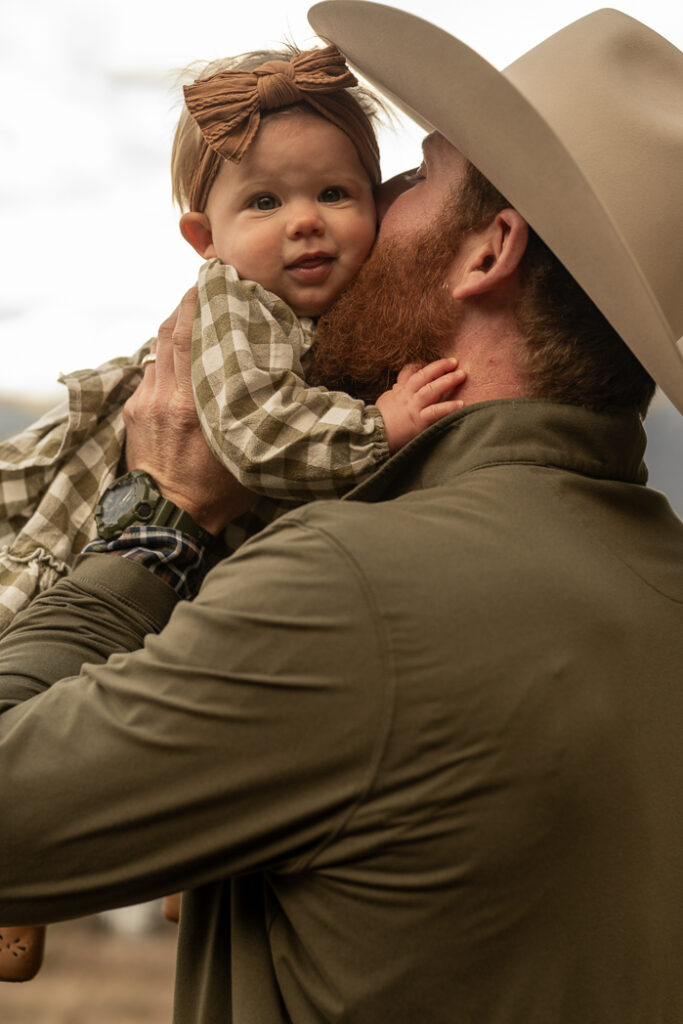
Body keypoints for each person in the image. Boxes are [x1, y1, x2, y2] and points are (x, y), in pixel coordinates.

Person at [1, 4, 683, 1022]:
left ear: (487, 251)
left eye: (413, 179)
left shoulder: (351, 590)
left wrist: (161, 522)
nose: (373, 205)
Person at [0, 43, 464, 632]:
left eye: (333, 193)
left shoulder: (350, 304)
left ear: (375, 202)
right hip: (98, 544)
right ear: (205, 239)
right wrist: (381, 427)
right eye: (264, 202)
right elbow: (254, 431)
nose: (305, 221)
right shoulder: (236, 301)